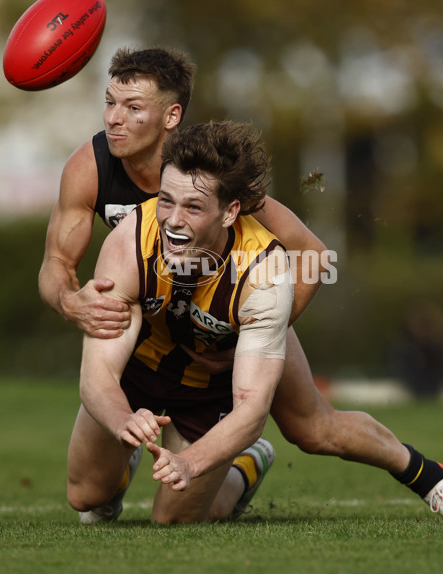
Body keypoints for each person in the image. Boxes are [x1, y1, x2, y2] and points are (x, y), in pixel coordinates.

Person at [40, 47, 443, 521]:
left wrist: (248, 329)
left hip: (233, 312)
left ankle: (431, 477)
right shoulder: (99, 183)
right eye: (110, 103)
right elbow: (55, 263)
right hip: (151, 322)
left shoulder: (220, 181)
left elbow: (315, 256)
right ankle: (122, 458)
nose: (114, 119)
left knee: (314, 429)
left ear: (171, 115)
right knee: (86, 496)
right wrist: (71, 302)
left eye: (133, 108)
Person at [68, 120, 292, 523]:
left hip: (206, 389)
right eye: (166, 200)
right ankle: (127, 450)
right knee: (84, 496)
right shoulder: (131, 236)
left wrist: (192, 462)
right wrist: (122, 418)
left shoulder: (266, 270)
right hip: (138, 370)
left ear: (230, 212)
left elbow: (253, 407)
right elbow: (97, 370)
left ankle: (245, 467)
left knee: (174, 521)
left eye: (193, 207)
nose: (172, 220)